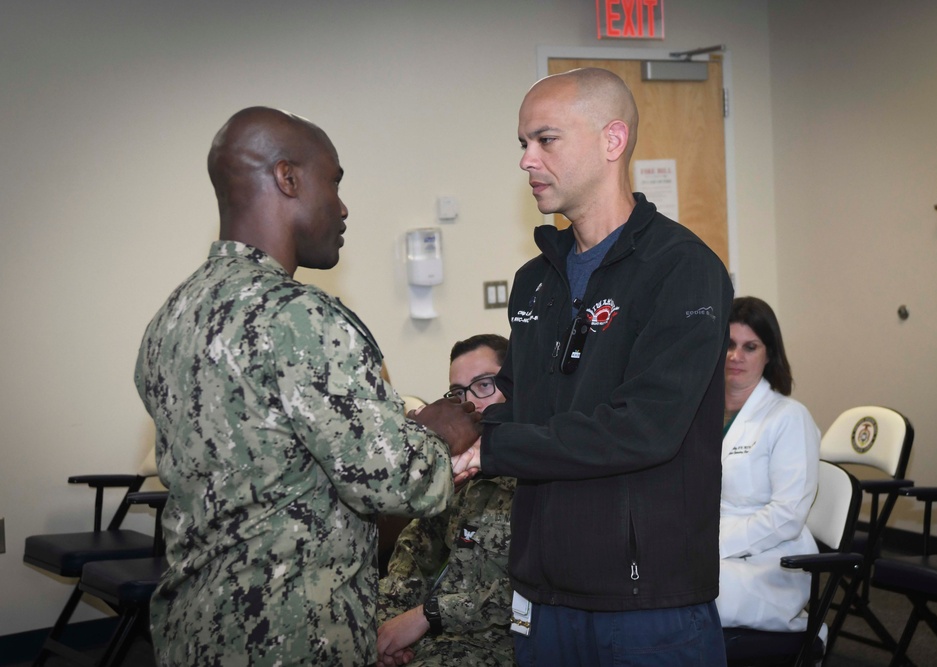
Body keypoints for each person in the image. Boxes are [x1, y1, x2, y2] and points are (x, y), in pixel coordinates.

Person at [134, 106, 480, 667]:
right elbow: (397, 484)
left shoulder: (173, 316)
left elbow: (269, 467)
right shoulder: (300, 316)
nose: (343, 207)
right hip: (289, 633)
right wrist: (440, 432)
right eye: (335, 182)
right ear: (288, 179)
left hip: (193, 627)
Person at [453, 68, 733, 665]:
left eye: (545, 140)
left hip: (645, 603)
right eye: (522, 144)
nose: (526, 160)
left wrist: (490, 450)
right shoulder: (536, 281)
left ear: (613, 141)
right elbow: (522, 400)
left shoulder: (682, 268)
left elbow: (644, 426)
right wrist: (447, 423)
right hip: (543, 594)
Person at [377, 334, 516, 667]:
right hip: (428, 647)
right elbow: (411, 557)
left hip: (498, 650)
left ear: (515, 383)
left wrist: (428, 615)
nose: (469, 404)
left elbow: (531, 592)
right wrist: (383, 632)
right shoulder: (456, 477)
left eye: (484, 385)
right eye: (457, 393)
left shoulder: (541, 476)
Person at [718, 296, 821, 631]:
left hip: (770, 562)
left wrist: (713, 544)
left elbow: (787, 516)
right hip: (706, 543)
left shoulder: (789, 417)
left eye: (750, 347)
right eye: (729, 344)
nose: (736, 356)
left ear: (769, 354)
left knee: (675, 588)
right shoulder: (699, 413)